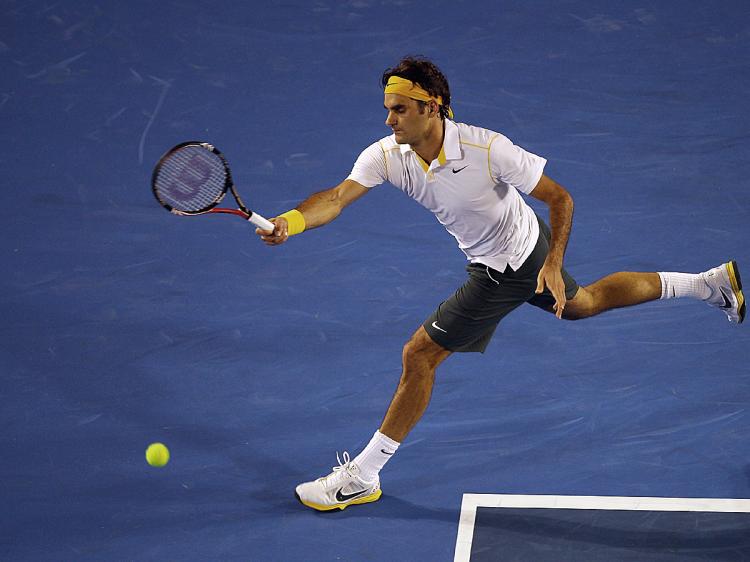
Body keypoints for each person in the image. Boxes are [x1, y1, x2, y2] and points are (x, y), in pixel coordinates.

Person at [255, 56, 745, 512]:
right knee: (584, 303)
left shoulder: (487, 148)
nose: (390, 121)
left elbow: (561, 198)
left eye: (400, 110)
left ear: (433, 108)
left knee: (419, 355)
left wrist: (552, 262)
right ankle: (707, 284)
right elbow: (337, 197)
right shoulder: (388, 155)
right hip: (520, 250)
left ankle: (363, 476)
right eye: (387, 110)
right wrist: (291, 222)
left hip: (507, 268)